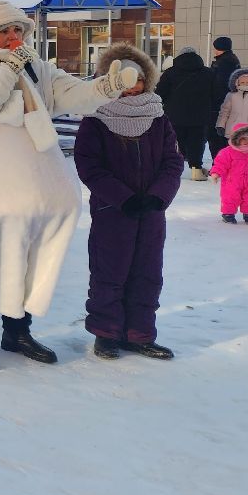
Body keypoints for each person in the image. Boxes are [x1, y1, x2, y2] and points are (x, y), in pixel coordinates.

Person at [0, 0, 136, 373]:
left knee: (28, 257)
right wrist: (7, 72)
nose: (14, 37)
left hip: (30, 189)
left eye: (19, 30)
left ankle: (17, 330)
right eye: (5, 31)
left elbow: (73, 94)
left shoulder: (36, 67)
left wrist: (108, 86)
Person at [72, 44, 183, 361]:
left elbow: (172, 161)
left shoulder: (158, 117)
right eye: (124, 80)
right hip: (113, 211)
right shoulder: (96, 118)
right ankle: (106, 334)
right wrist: (123, 198)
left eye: (137, 80)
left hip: (151, 212)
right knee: (110, 272)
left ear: (146, 81)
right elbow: (89, 165)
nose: (131, 87)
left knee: (147, 273)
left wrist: (159, 196)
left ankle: (139, 334)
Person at [155, 46, 215, 180]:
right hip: (200, 116)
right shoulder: (208, 73)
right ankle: (196, 170)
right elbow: (215, 94)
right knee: (197, 142)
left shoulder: (170, 73)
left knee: (175, 142)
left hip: (174, 115)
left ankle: (173, 169)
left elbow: (159, 94)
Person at [210, 123, 248, 224]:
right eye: (244, 139)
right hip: (232, 182)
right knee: (230, 198)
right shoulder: (228, 152)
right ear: (237, 139)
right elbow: (220, 164)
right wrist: (216, 173)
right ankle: (228, 214)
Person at [209, 36, 241, 165]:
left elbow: (219, 84)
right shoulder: (232, 60)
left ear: (219, 48)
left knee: (216, 136)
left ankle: (220, 164)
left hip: (220, 105)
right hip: (227, 103)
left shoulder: (224, 62)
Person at [214, 67, 248, 143]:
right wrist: (221, 125)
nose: (245, 84)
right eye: (242, 82)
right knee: (234, 148)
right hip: (234, 128)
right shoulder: (232, 96)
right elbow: (224, 112)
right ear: (237, 83)